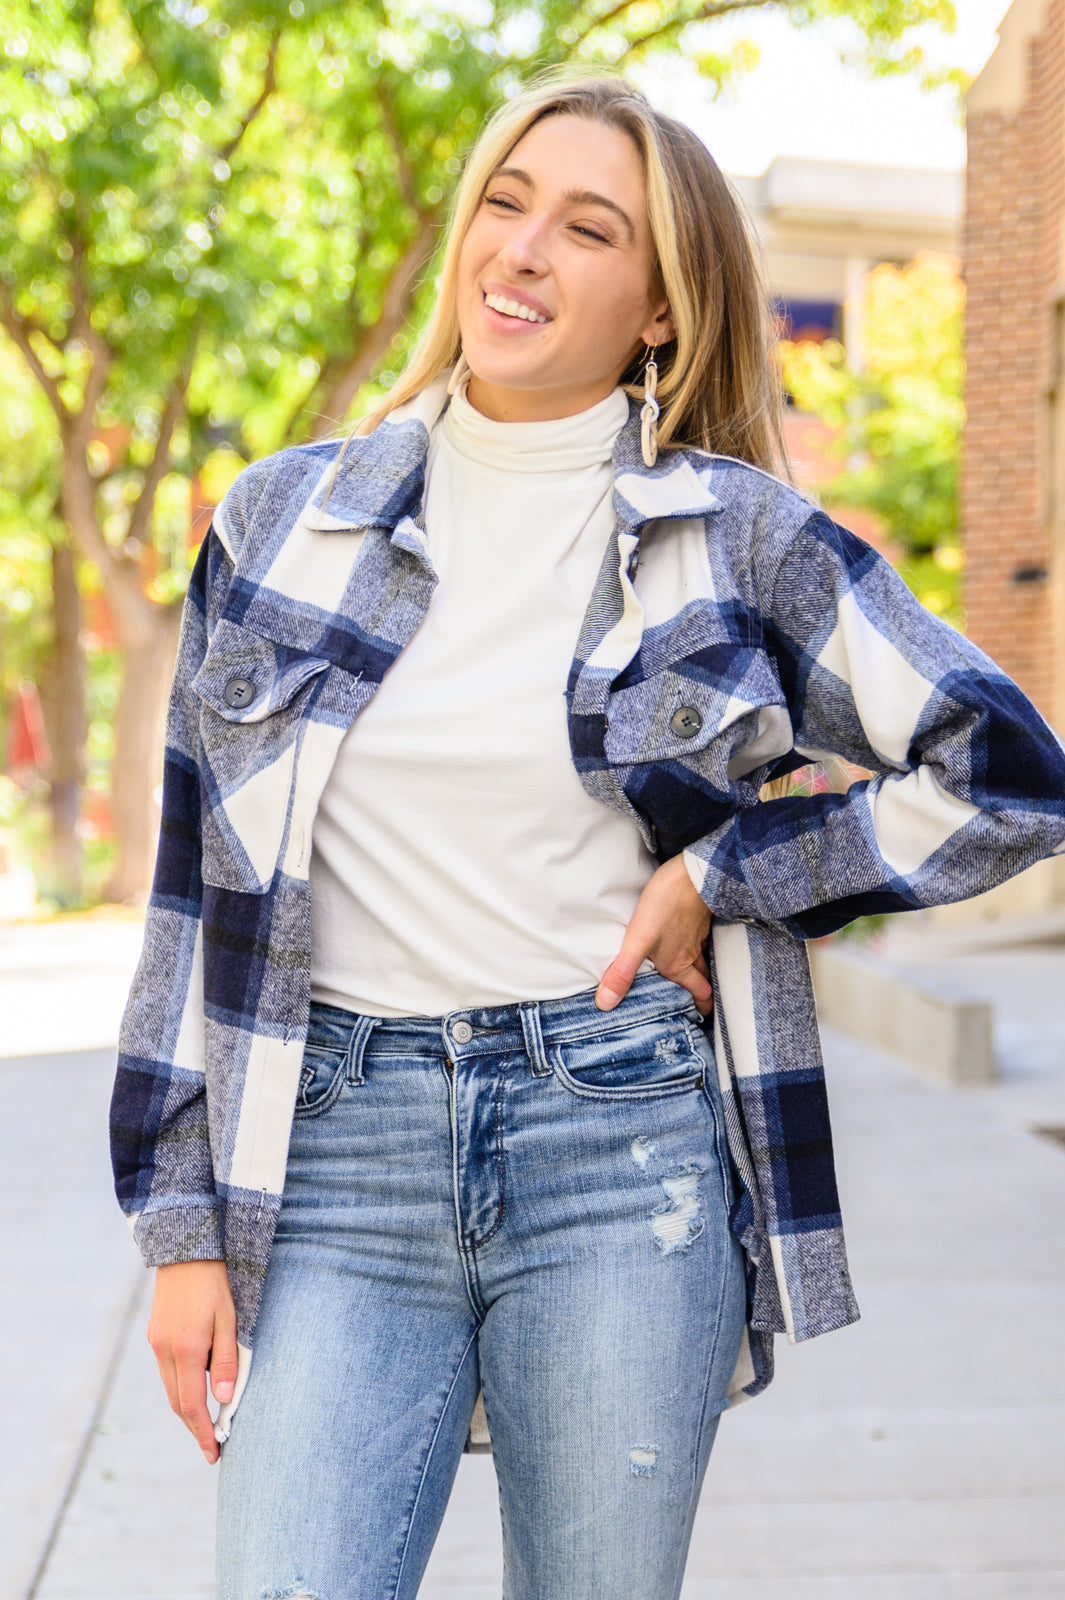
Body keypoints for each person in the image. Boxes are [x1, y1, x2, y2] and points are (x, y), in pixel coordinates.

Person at [110, 68, 1065, 1600]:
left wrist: (723, 873)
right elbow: (186, 893)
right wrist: (177, 1231)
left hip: (616, 1146)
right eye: (505, 201)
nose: (522, 251)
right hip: (336, 1154)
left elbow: (1010, 771)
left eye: (587, 226)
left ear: (659, 308)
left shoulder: (736, 538)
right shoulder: (281, 523)